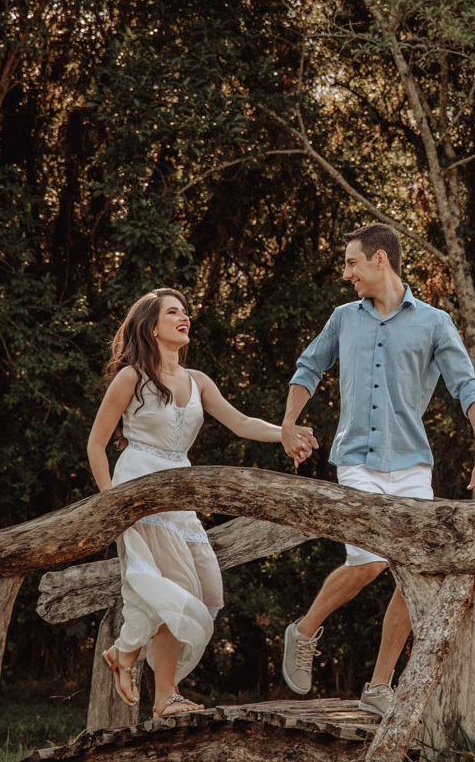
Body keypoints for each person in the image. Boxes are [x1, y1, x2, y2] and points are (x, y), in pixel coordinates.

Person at [278, 223, 475, 718]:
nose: (346, 272)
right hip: (355, 459)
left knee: (413, 573)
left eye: (352, 262)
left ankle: (379, 684)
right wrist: (289, 424)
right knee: (373, 560)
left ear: (381, 260)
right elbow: (308, 367)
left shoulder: (435, 323)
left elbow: (469, 388)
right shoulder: (342, 319)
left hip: (411, 466)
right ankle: (305, 629)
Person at [88, 288, 318, 719]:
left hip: (182, 496)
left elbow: (241, 422)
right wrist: (111, 507)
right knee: (176, 590)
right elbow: (96, 444)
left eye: (185, 311)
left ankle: (124, 651)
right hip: (139, 489)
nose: (184, 317)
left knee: (207, 590)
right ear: (151, 326)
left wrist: (286, 432)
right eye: (172, 312)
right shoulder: (131, 378)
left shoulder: (198, 381)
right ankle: (165, 697)